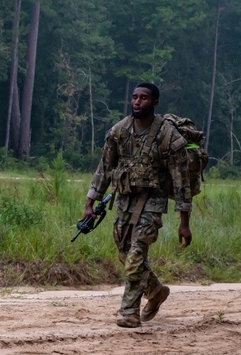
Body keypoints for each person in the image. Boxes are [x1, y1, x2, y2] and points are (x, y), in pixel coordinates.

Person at [83, 82, 194, 328]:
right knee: (124, 252)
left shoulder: (169, 137)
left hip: (153, 201)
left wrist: (184, 223)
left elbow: (181, 182)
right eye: (134, 97)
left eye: (143, 98)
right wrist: (90, 203)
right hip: (124, 199)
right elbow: (104, 169)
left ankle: (129, 312)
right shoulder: (119, 132)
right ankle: (155, 290)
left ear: (154, 103)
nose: (137, 102)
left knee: (135, 255)